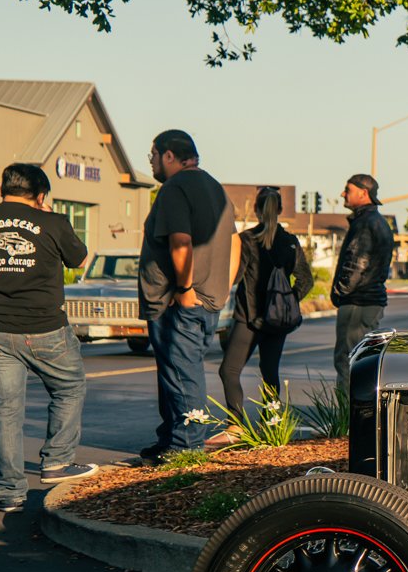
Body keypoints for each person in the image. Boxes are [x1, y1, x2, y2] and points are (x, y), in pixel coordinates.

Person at [0, 163, 97, 511]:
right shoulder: (53, 222)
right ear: (40, 195)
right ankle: (57, 460)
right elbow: (80, 259)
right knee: (69, 388)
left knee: (5, 412)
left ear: (3, 190)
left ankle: (9, 494)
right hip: (45, 328)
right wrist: (51, 218)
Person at [138, 129, 235, 461]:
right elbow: (235, 243)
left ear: (168, 155)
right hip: (207, 299)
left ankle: (186, 447)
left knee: (183, 373)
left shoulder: (175, 188)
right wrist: (222, 288)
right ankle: (170, 439)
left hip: (178, 301)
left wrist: (184, 289)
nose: (150, 162)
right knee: (176, 372)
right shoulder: (215, 187)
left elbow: (180, 240)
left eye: (152, 155)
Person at [216, 186, 314, 420]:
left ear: (255, 209)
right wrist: (287, 300)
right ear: (279, 209)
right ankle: (271, 425)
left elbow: (236, 276)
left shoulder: (246, 240)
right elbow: (306, 280)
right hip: (277, 318)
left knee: (229, 370)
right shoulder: (290, 242)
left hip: (248, 319)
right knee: (270, 373)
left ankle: (236, 425)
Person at [332, 173, 394, 395]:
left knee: (348, 361)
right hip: (369, 300)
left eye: (347, 190)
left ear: (363, 193)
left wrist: (339, 293)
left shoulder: (366, 223)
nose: (342, 194)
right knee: (362, 361)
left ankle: (349, 419)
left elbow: (356, 265)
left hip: (358, 302)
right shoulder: (378, 222)